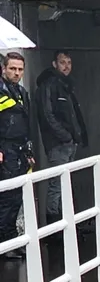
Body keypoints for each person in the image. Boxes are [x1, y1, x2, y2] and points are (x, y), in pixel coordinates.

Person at [34, 50, 88, 224]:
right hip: (58, 144)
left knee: (65, 183)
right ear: (54, 64)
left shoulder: (65, 85)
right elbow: (47, 115)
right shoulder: (49, 85)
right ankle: (53, 225)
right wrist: (65, 136)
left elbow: (72, 115)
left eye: (69, 62)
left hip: (69, 143)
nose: (66, 66)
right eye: (62, 62)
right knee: (56, 185)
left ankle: (63, 222)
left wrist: (75, 137)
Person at [0, 53, 35, 258]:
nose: (17, 73)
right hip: (5, 151)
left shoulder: (21, 92)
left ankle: (11, 240)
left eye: (20, 69)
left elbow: (26, 125)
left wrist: (29, 150)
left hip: (20, 151)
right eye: (12, 69)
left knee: (16, 197)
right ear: (4, 68)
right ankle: (6, 244)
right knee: (7, 197)